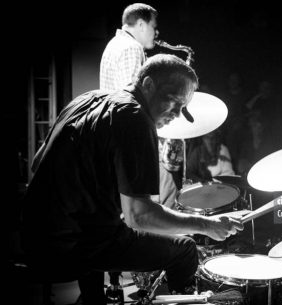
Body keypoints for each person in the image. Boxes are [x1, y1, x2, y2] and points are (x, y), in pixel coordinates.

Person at [20, 54, 243, 305]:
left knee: (106, 226)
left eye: (183, 108)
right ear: (147, 85)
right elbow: (140, 216)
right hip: (69, 248)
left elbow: (38, 163)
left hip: (32, 237)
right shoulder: (135, 117)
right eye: (173, 102)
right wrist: (206, 225)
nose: (177, 115)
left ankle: (93, 299)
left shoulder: (87, 99)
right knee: (184, 248)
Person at [99, 3, 183, 298]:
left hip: (109, 148)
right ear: (142, 23)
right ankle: (154, 277)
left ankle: (114, 284)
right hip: (128, 146)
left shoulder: (112, 45)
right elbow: (135, 104)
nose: (156, 34)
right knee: (155, 207)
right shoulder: (132, 48)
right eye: (154, 27)